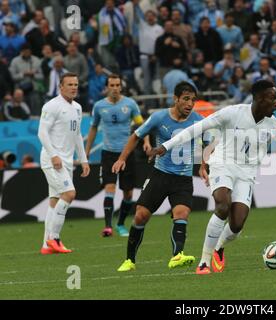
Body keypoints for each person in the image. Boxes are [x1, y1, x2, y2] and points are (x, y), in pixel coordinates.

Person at [148, 79, 276, 274]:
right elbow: (196, 129)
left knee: (236, 225)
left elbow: (258, 153)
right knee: (222, 205)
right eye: (272, 98)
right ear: (259, 98)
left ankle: (219, 246)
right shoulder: (232, 113)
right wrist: (165, 146)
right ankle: (204, 262)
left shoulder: (275, 125)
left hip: (246, 173)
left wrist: (250, 173)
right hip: (222, 163)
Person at [113, 81, 204, 272]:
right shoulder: (159, 117)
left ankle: (177, 255)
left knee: (182, 214)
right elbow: (136, 136)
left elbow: (210, 143)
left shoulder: (198, 120)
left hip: (183, 179)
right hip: (160, 175)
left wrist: (204, 165)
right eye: (186, 99)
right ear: (176, 99)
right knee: (140, 216)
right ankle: (130, 260)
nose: (189, 104)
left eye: (193, 101)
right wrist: (122, 159)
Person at [85, 74, 148, 237]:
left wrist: (146, 141)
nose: (114, 88)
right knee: (110, 188)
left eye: (117, 85)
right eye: (111, 85)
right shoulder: (99, 106)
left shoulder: (130, 104)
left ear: (121, 87)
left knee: (128, 193)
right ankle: (108, 226)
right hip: (108, 154)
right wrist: (87, 151)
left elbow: (142, 125)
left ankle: (120, 223)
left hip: (127, 154)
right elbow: (93, 128)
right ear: (106, 87)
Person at [37, 73, 90, 255]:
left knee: (54, 201)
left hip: (67, 162)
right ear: (61, 87)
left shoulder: (77, 107)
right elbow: (42, 133)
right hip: (52, 160)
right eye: (70, 84)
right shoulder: (52, 106)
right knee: (69, 193)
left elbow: (77, 137)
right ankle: (54, 238)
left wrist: (83, 160)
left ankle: (46, 246)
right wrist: (53, 155)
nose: (74, 87)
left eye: (76, 84)